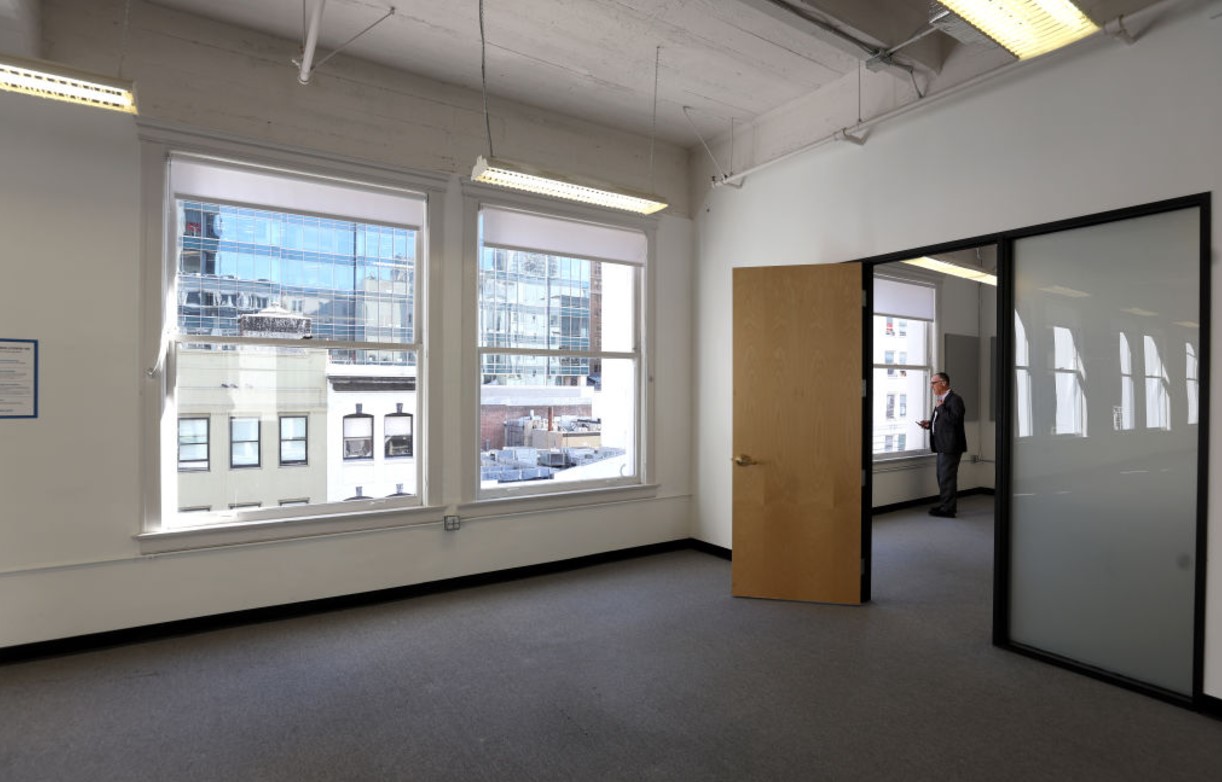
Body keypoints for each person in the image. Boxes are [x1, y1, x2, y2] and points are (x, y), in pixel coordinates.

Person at [917, 372, 967, 518]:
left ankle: (948, 509)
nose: (931, 386)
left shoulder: (955, 399)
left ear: (943, 383)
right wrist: (930, 424)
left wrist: (940, 409)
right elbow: (944, 422)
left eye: (933, 383)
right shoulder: (942, 399)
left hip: (951, 446)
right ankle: (946, 505)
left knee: (947, 478)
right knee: (942, 477)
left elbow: (954, 420)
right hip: (942, 446)